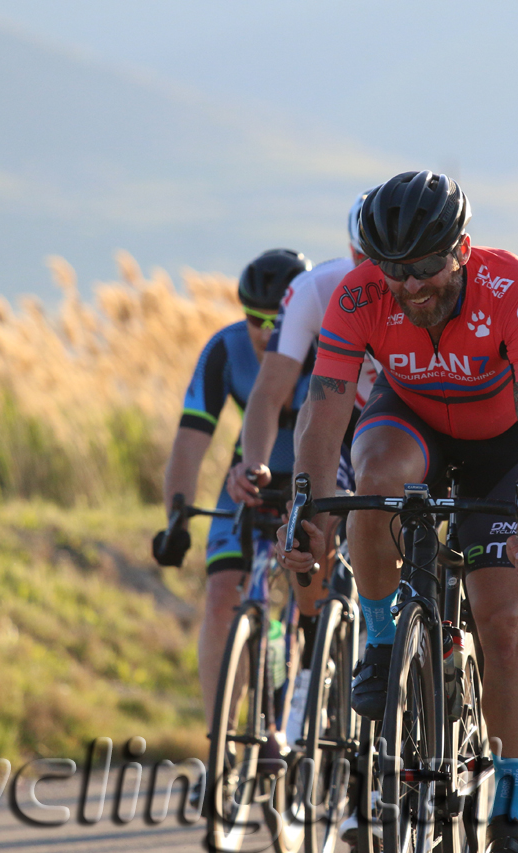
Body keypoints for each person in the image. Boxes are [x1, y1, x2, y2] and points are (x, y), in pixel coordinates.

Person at [277, 170, 518, 853]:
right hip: (411, 425)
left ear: (462, 247)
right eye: (396, 268)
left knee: (499, 620)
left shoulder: (513, 290)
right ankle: (382, 645)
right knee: (370, 483)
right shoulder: (358, 293)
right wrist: (309, 514)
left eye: (428, 265)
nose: (411, 284)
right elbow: (323, 416)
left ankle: (509, 811)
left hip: (500, 450)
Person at [223, 188, 383, 756]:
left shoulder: (417, 296)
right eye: (367, 259)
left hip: (404, 420)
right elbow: (270, 393)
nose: (377, 275)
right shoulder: (316, 290)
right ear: (349, 251)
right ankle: (314, 665)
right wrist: (254, 462)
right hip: (343, 420)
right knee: (311, 525)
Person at [151, 247, 312, 744]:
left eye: (278, 320)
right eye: (254, 319)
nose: (265, 333)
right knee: (222, 595)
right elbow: (190, 439)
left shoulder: (332, 346)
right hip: (250, 480)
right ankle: (219, 745)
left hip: (314, 480)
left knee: (314, 603)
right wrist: (175, 518)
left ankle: (308, 707)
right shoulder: (224, 349)